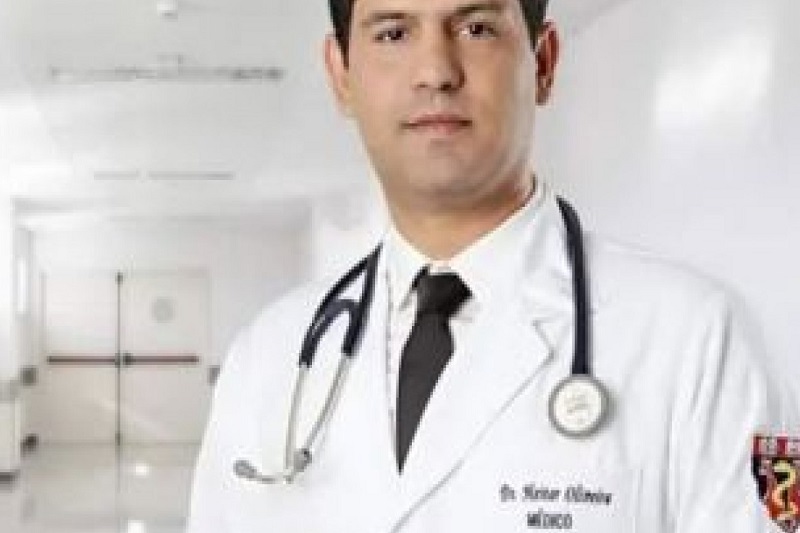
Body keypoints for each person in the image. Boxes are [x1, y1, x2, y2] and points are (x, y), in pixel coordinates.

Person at [187, 0, 793, 531]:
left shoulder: (699, 339)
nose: (435, 72)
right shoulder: (267, 357)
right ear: (341, 73)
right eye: (393, 33)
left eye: (475, 28)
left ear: (543, 62)